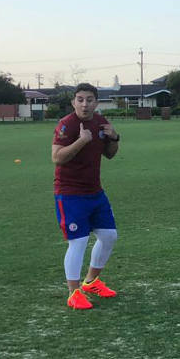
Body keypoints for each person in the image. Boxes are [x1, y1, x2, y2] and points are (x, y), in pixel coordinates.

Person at [52, 83, 121, 310]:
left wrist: (114, 138)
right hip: (70, 194)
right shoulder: (66, 125)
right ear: (73, 102)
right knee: (78, 242)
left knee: (109, 236)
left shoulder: (101, 122)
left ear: (96, 102)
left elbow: (110, 155)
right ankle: (74, 293)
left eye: (89, 99)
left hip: (95, 192)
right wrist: (82, 140)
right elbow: (58, 158)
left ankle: (91, 282)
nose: (85, 104)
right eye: (80, 99)